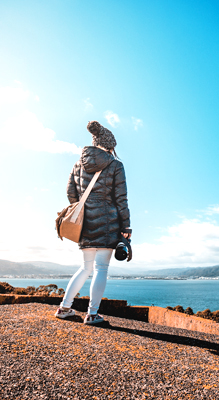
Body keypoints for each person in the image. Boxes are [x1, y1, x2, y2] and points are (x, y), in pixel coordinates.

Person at [55, 121, 132, 325]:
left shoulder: (78, 164)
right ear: (109, 145)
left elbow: (71, 193)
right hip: (109, 224)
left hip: (85, 224)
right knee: (101, 269)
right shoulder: (115, 165)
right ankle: (92, 314)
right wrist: (126, 226)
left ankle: (64, 307)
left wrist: (84, 211)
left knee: (85, 267)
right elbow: (121, 199)